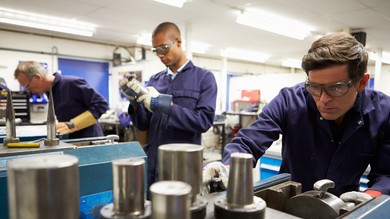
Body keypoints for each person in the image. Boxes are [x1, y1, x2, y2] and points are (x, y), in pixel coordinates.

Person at [203, 32, 390, 201]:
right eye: (315, 87)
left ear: (362, 82)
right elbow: (250, 140)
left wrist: (371, 197)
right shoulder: (289, 100)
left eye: (336, 87)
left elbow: (386, 174)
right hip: (288, 206)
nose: (323, 99)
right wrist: (228, 167)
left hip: (346, 209)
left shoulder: (383, 112)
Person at [120, 22, 218, 187]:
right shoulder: (155, 80)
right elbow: (144, 124)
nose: (160, 55)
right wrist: (135, 104)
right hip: (153, 161)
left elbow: (203, 121)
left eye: (164, 48)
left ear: (178, 42)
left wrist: (166, 105)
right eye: (155, 50)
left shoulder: (204, 78)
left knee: (179, 210)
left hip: (182, 164)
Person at [14, 61, 109, 139]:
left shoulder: (72, 83)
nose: (28, 91)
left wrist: (73, 124)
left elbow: (101, 104)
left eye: (27, 86)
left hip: (89, 140)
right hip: (71, 139)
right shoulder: (50, 91)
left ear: (38, 77)